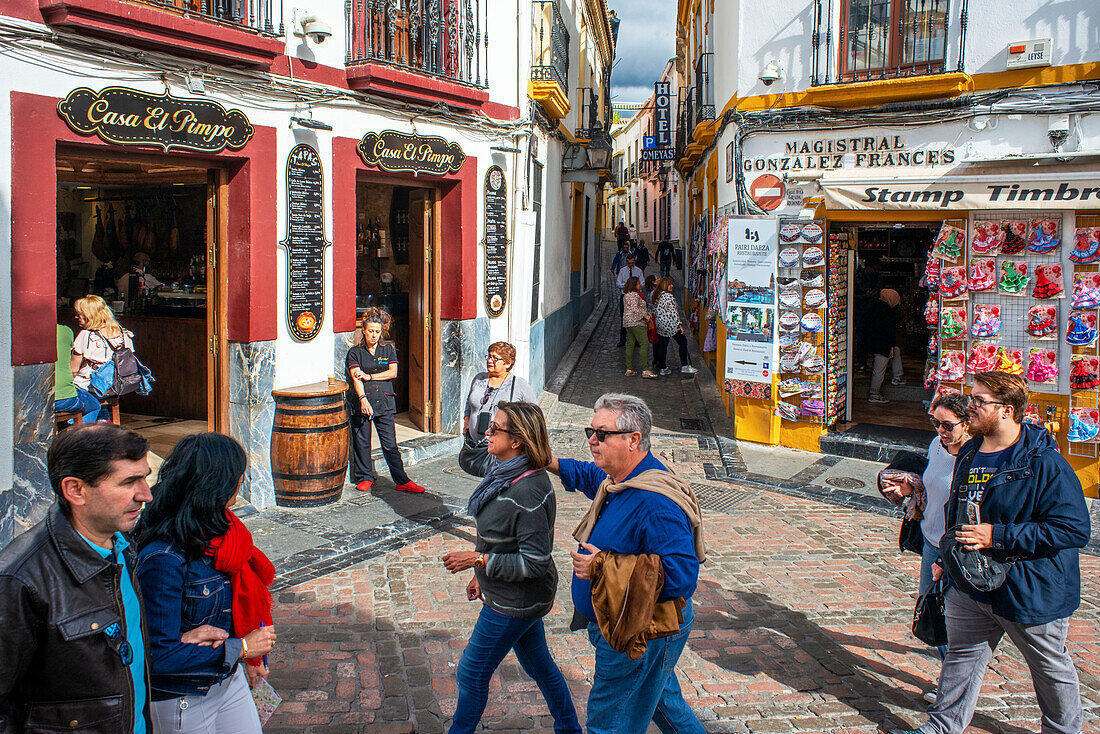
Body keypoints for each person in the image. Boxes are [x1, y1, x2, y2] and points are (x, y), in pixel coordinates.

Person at [890, 371, 1091, 734]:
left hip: (1028, 588)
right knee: (961, 659)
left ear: (1007, 410)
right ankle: (941, 728)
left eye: (979, 401)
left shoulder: (1043, 463)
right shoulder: (970, 451)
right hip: (970, 582)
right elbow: (958, 507)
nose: (971, 408)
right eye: (971, 399)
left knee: (1049, 669)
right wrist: (945, 558)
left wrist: (997, 536)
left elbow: (1073, 529)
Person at [546, 393, 706, 734]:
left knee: (609, 723)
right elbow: (593, 478)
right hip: (623, 622)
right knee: (665, 705)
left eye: (601, 434)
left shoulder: (653, 501)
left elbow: (681, 575)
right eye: (591, 431)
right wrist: (549, 461)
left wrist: (601, 567)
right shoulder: (621, 478)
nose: (592, 439)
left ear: (633, 439)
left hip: (640, 630)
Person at [0, 425, 158, 731]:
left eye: (145, 477)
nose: (146, 495)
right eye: (129, 482)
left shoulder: (123, 546)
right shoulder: (20, 579)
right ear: (75, 490)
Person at [441, 402, 582, 734]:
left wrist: (479, 561)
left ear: (517, 441)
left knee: (471, 673)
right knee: (540, 666)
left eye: (495, 428)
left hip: (516, 600)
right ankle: (570, 728)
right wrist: (482, 574)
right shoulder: (503, 472)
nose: (487, 432)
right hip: (509, 594)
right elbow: (498, 536)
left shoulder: (530, 491)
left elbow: (534, 563)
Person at [134, 433, 277, 732]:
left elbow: (242, 602)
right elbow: (160, 656)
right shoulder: (164, 558)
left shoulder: (226, 534)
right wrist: (242, 648)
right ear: (220, 484)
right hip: (184, 693)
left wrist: (249, 658)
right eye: (239, 474)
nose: (242, 480)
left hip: (226, 676)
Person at [878, 392, 971, 692]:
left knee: (953, 620)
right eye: (936, 424)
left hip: (957, 550)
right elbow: (929, 487)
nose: (941, 432)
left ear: (967, 424)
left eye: (948, 426)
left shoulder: (975, 457)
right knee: (933, 610)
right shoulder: (936, 446)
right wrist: (908, 490)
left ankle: (953, 686)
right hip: (932, 542)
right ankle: (951, 680)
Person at [347, 309, 426, 494]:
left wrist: (370, 376)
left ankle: (402, 480)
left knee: (390, 443)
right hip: (363, 401)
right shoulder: (355, 352)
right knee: (362, 441)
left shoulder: (388, 349)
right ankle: (365, 477)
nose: (374, 335)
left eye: (377, 331)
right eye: (371, 331)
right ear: (363, 330)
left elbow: (393, 372)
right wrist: (362, 399)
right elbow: (355, 377)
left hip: (384, 400)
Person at [461, 342, 538, 477]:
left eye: (495, 358)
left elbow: (534, 415)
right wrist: (467, 419)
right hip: (475, 444)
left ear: (508, 363)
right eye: (489, 356)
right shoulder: (479, 378)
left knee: (496, 480)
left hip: (503, 448)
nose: (490, 361)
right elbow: (469, 401)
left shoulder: (519, 385)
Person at [71, 294, 135, 395]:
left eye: (79, 314)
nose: (76, 317)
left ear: (89, 315)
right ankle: (103, 410)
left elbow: (73, 370)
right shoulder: (124, 334)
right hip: (115, 386)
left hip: (89, 386)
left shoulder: (86, 336)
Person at [55, 323, 102, 423]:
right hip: (63, 397)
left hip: (32, 398)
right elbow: (73, 370)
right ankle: (80, 437)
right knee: (94, 406)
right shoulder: (65, 331)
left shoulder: (21, 332)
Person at [652, 277, 697, 376]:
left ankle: (663, 368)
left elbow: (655, 310)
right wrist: (679, 325)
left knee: (663, 346)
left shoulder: (658, 295)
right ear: (665, 286)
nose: (672, 286)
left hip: (661, 325)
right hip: (670, 325)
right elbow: (674, 313)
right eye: (669, 284)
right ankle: (684, 366)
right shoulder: (669, 297)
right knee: (683, 342)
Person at [866, 288, 904, 404]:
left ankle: (898, 376)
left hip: (876, 342)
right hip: (882, 344)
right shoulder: (887, 311)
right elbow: (888, 331)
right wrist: (890, 346)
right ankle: (874, 393)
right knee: (880, 367)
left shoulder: (876, 307)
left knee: (896, 351)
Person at [622, 277, 656, 379]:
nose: (640, 284)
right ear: (634, 284)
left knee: (630, 344)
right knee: (644, 344)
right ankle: (645, 370)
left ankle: (629, 369)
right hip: (636, 322)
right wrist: (645, 316)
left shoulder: (626, 295)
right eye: (638, 283)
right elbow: (635, 310)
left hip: (628, 323)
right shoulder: (634, 295)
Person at [615, 254, 644, 347]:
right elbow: (618, 283)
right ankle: (622, 340)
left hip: (636, 297)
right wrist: (627, 285)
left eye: (632, 263)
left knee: (636, 318)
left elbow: (642, 282)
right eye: (629, 263)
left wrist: (634, 286)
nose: (631, 265)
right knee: (624, 318)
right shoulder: (622, 271)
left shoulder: (639, 271)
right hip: (625, 297)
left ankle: (636, 340)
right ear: (626, 262)